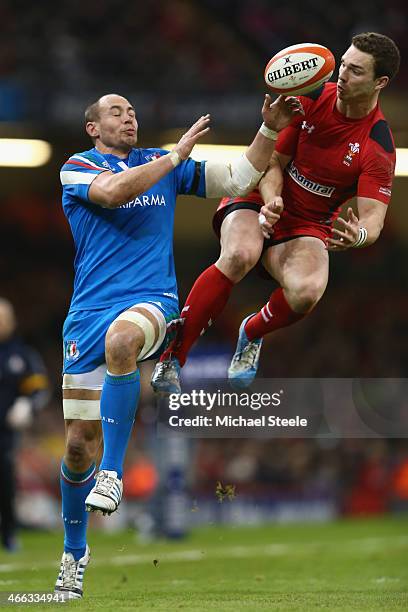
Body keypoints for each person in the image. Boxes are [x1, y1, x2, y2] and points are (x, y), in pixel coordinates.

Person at [54, 91, 302, 599]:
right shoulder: (77, 167)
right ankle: (74, 554)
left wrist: (270, 130)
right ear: (93, 129)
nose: (130, 117)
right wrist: (175, 155)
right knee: (78, 445)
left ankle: (114, 475)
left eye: (133, 111)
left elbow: (237, 179)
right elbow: (113, 193)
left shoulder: (162, 163)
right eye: (117, 113)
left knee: (124, 341)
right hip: (85, 315)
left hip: (152, 299)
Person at [151, 32, 400, 393]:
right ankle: (173, 358)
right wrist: (271, 200)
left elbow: (373, 218)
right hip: (259, 194)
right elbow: (271, 163)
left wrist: (359, 235)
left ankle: (251, 332)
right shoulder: (311, 95)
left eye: (355, 71)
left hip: (309, 222)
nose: (342, 75)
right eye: (343, 64)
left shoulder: (378, 145)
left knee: (307, 291)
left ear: (381, 82)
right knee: (239, 254)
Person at [0, 298, 49, 551]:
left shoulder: (22, 355)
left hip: (5, 433)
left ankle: (8, 534)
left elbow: (39, 388)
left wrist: (26, 405)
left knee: (6, 481)